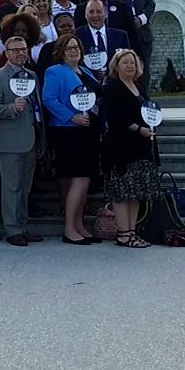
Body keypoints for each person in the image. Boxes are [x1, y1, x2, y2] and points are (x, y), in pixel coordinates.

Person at [42, 34, 103, 244]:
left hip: (88, 131)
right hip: (68, 131)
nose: (74, 51)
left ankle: (79, 225)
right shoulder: (55, 71)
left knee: (85, 182)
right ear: (61, 51)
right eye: (69, 48)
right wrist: (72, 116)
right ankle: (69, 229)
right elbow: (49, 99)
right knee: (79, 181)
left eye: (76, 47)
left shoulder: (86, 71)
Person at [0, 30, 42, 246]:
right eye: (15, 50)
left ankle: (22, 225)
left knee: (25, 187)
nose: (20, 54)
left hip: (31, 137)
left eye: (23, 50)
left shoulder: (32, 76)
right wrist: (12, 108)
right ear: (7, 53)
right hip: (9, 141)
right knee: (11, 187)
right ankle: (12, 229)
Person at [100, 48, 160, 249]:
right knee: (122, 192)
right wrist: (137, 128)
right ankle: (123, 234)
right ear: (116, 66)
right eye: (125, 62)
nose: (130, 66)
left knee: (136, 192)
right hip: (120, 147)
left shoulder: (139, 87)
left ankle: (133, 232)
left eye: (133, 63)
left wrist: (151, 126)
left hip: (141, 147)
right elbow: (114, 116)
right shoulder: (113, 88)